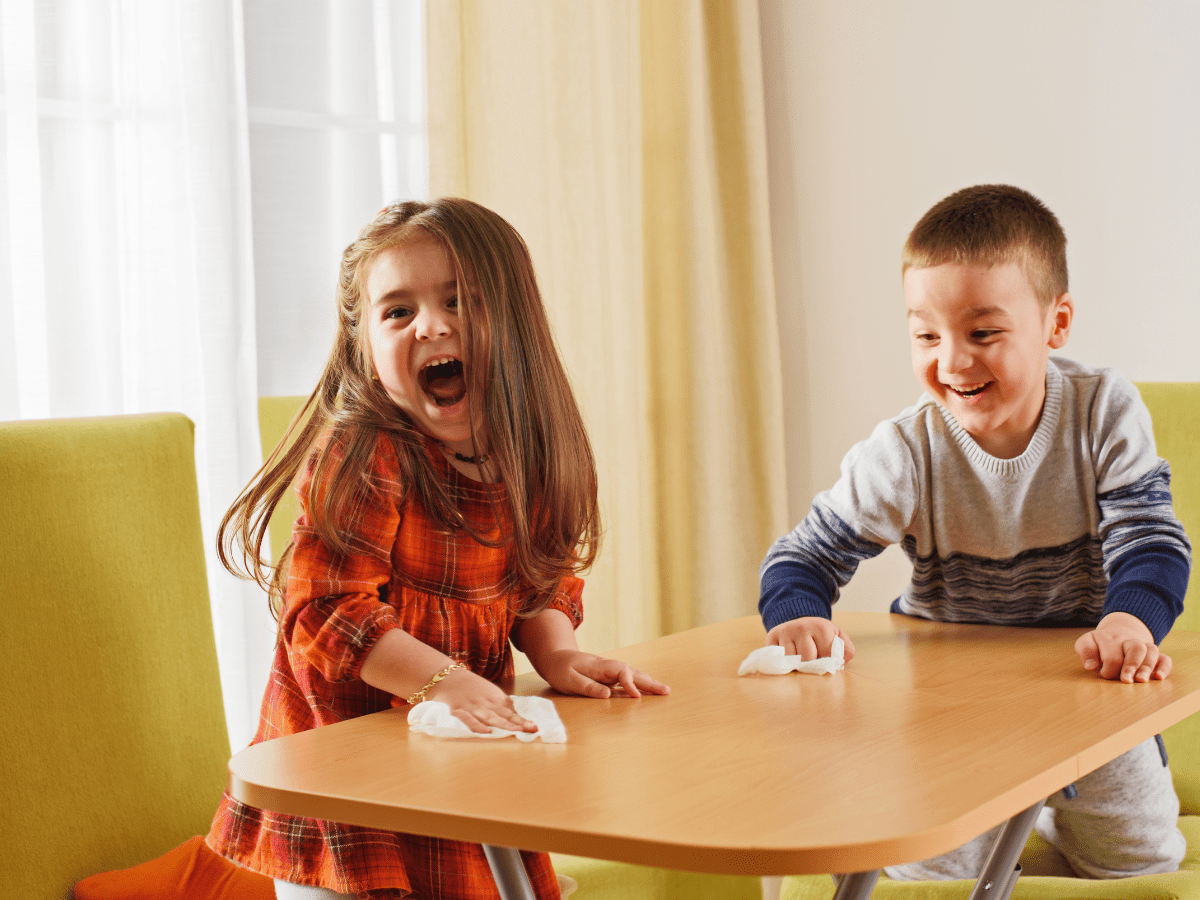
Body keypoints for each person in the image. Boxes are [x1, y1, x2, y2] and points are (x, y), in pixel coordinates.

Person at [207, 198, 669, 900]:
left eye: (461, 300)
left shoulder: (525, 455)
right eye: (398, 311)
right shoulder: (368, 455)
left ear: (517, 326)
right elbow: (326, 612)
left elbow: (536, 586)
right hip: (346, 792)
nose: (432, 324)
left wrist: (559, 653)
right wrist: (447, 682)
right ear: (365, 345)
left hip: (453, 771)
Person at [758, 184, 1190, 880]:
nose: (953, 361)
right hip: (950, 705)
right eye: (927, 335)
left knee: (1141, 864)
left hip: (1091, 682)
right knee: (927, 874)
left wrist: (1129, 624)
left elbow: (1152, 543)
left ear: (1056, 323)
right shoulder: (905, 450)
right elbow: (802, 556)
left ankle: (1053, 812)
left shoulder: (1104, 410)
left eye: (983, 333)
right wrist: (800, 613)